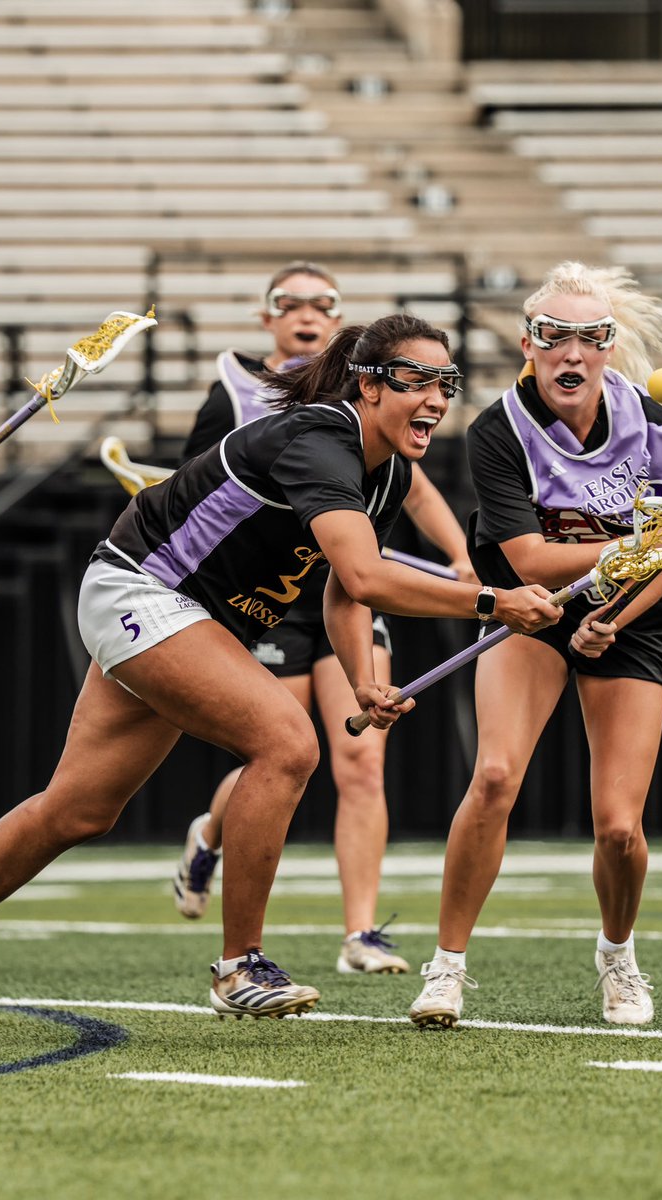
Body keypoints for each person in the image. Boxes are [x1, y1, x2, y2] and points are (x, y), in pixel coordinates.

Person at [0, 311, 561, 1042]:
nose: (435, 398)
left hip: (192, 619)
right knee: (288, 743)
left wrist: (361, 677)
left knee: (78, 809)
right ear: (368, 385)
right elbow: (368, 574)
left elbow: (341, 588)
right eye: (416, 380)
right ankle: (240, 966)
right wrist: (492, 601)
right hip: (142, 591)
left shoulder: (386, 473)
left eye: (445, 383)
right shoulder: (321, 438)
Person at [408, 262, 662, 1030]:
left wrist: (621, 611)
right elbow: (533, 558)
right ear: (527, 344)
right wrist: (634, 541)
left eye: (590, 338)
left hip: (631, 617)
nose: (572, 353)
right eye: (554, 336)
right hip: (527, 610)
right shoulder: (498, 432)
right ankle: (446, 968)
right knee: (497, 776)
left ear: (609, 347)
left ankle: (617, 954)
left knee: (618, 825)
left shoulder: (659, 431)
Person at [173, 261, 477, 977]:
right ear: (267, 318)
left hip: (347, 586)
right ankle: (212, 838)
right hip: (270, 595)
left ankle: (361, 933)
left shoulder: (380, 407)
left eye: (323, 304)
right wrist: (491, 601)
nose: (307, 314)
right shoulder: (238, 394)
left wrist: (462, 557)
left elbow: (415, 493)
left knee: (362, 760)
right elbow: (198, 483)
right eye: (291, 303)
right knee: (281, 751)